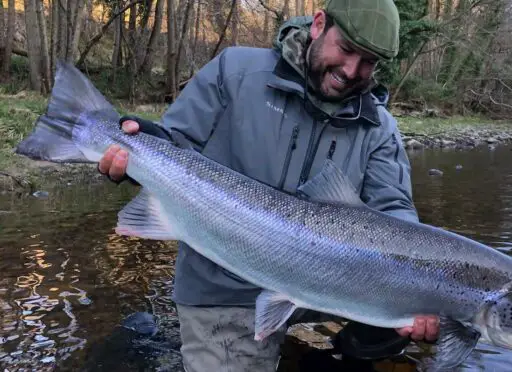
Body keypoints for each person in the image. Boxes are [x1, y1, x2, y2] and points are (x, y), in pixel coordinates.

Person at [97, 0, 439, 370]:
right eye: (346, 49)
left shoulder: (379, 127)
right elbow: (177, 146)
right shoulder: (235, 72)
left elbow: (396, 217)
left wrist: (421, 293)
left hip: (327, 289)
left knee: (387, 338)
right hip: (225, 287)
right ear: (318, 24)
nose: (351, 70)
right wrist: (141, 150)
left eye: (369, 61)